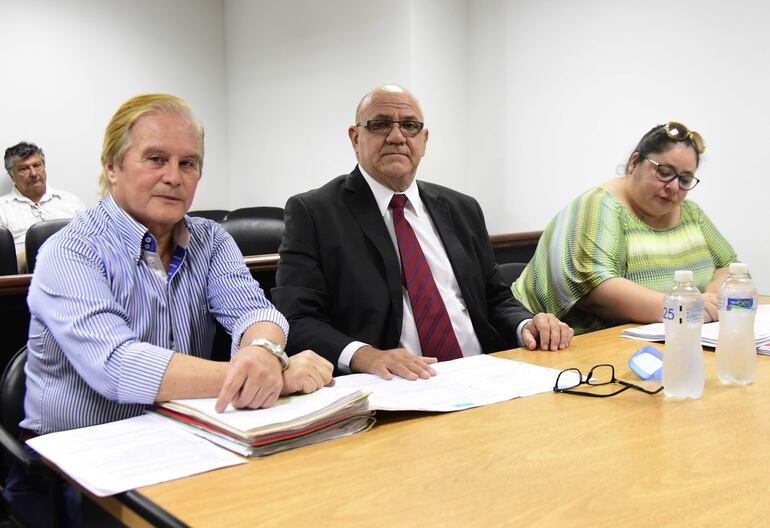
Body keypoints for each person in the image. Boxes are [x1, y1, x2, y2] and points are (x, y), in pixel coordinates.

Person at [4, 94, 333, 527]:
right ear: (112, 166)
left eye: (188, 163)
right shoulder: (69, 251)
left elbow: (257, 313)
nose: (173, 177)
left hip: (186, 443)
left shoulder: (210, 240)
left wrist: (263, 354)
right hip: (76, 470)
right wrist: (271, 377)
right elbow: (119, 367)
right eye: (156, 158)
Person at [273, 85, 573, 381]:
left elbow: (494, 298)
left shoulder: (462, 208)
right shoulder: (314, 213)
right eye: (379, 125)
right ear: (355, 138)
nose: (396, 137)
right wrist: (366, 355)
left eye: (409, 126)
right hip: (395, 386)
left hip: (484, 374)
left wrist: (526, 325)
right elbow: (297, 319)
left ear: (424, 140)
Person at [512, 122, 737, 335]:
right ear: (634, 162)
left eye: (685, 179)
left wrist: (712, 298)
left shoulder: (690, 212)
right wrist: (683, 307)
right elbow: (597, 291)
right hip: (566, 347)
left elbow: (729, 266)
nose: (673, 187)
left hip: (669, 341)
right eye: (664, 173)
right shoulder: (598, 206)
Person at [0, 142, 86, 272]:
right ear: (12, 176)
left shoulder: (71, 202)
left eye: (37, 165)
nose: (33, 173)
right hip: (25, 281)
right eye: (24, 169)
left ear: (44, 166)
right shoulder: (2, 209)